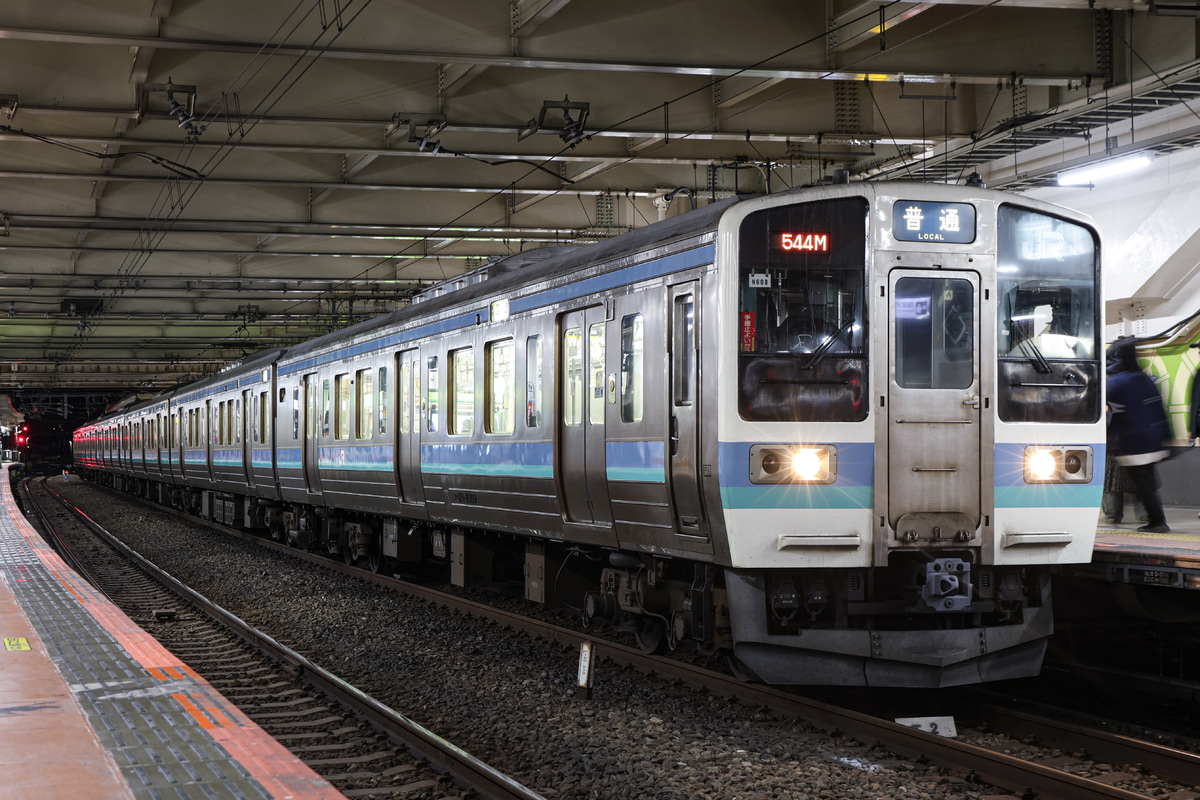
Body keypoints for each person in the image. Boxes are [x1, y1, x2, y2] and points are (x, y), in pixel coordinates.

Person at [1106, 337, 1171, 533]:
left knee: (1143, 486)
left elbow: (1105, 409)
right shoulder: (1143, 377)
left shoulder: (1117, 382)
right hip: (1152, 441)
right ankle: (1155, 519)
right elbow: (1159, 407)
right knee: (1147, 485)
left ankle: (1158, 522)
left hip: (1133, 443)